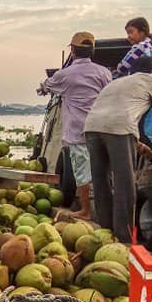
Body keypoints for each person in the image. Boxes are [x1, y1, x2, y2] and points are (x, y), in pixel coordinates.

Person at [84, 55, 152, 243]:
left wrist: (140, 146)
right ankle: (125, 239)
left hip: (91, 128)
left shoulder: (117, 83)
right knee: (125, 184)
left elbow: (114, 118)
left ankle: (105, 235)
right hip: (118, 129)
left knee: (101, 182)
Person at [38, 31, 111, 219]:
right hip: (100, 128)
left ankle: (86, 210)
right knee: (102, 169)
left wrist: (42, 88)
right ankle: (105, 209)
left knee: (81, 171)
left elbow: (48, 85)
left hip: (77, 130)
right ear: (92, 51)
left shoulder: (65, 75)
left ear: (73, 51)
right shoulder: (104, 73)